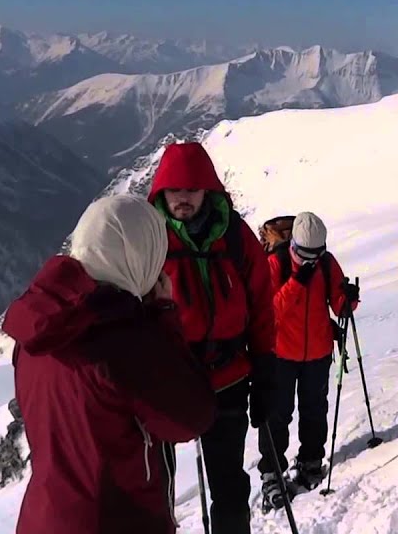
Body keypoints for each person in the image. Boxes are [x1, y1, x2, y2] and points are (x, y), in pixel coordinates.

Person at [4, 195, 218, 534]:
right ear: (138, 256)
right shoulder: (124, 341)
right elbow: (192, 415)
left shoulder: (38, 330)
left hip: (42, 520)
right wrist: (164, 320)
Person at [148, 142, 276, 533]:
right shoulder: (149, 239)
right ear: (161, 193)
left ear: (208, 190)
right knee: (155, 492)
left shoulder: (236, 238)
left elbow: (261, 305)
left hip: (230, 377)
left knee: (230, 486)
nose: (182, 198)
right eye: (174, 190)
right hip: (167, 384)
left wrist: (267, 367)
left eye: (191, 189)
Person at [256, 212, 360, 511]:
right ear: (294, 246)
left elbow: (339, 303)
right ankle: (272, 474)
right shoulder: (276, 263)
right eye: (305, 255)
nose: (311, 260)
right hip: (281, 355)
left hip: (317, 352)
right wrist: (298, 282)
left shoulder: (327, 263)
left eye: (317, 254)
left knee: (315, 409)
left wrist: (348, 300)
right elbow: (271, 311)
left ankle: (311, 461)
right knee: (278, 414)